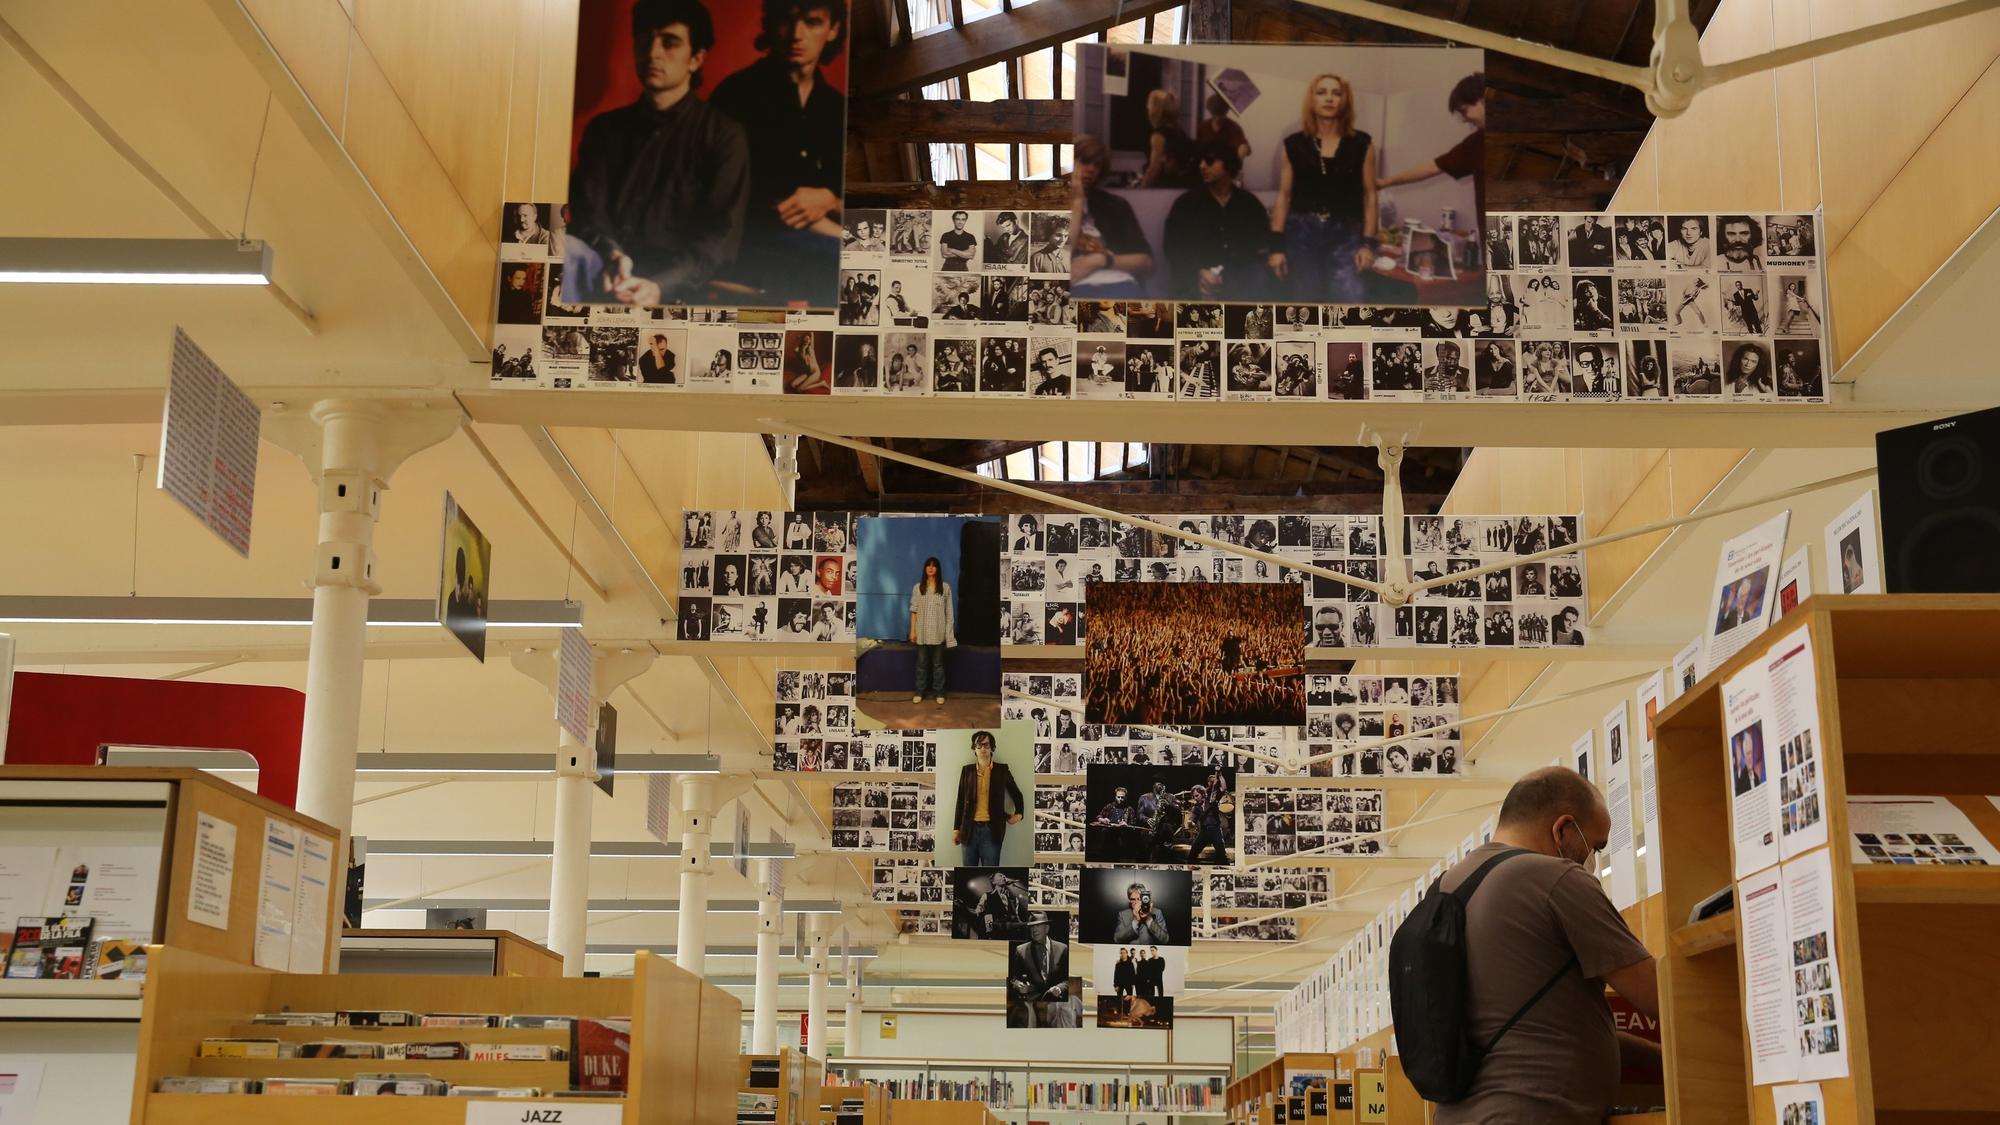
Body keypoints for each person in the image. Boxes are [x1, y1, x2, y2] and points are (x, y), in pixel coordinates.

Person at [1432, 768, 1657, 1125]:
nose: (1593, 860)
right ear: (1563, 829)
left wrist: (1659, 1058)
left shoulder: (1448, 888)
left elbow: (1542, 1033)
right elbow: (1659, 996)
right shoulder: (1557, 878)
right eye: (1596, 845)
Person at [564, 0, 750, 305]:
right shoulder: (605, 129)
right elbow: (586, 212)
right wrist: (611, 254)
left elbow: (720, 239)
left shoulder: (724, 135)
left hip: (675, 285)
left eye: (670, 43)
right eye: (645, 40)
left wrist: (661, 285)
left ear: (696, 59)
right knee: (564, 250)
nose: (653, 53)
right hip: (604, 268)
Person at [707, 1, 847, 297]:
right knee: (851, 264)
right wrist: (843, 236)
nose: (797, 34)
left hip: (824, 235)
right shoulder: (736, 93)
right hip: (750, 241)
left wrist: (831, 200)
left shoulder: (837, 107)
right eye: (788, 20)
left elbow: (847, 195)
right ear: (772, 24)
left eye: (812, 22)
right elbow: (745, 203)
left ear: (833, 29)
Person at [1268, 73, 1377, 301]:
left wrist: (1367, 244)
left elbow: (1370, 196)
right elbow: (1284, 197)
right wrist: (1276, 247)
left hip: (1346, 235)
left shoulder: (1362, 144)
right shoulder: (1293, 145)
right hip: (1302, 235)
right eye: (1322, 92)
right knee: (1305, 302)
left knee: (1350, 300)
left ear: (1344, 101)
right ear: (1312, 100)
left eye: (1336, 93)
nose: (1329, 98)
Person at [1159, 141, 1273, 299]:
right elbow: (1172, 247)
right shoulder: (1186, 203)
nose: (1202, 166)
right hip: (1194, 280)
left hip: (1241, 281)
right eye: (1200, 161)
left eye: (1209, 161)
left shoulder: (1249, 203)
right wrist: (1198, 272)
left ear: (1228, 164)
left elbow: (1262, 245)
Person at [1375, 73, 1485, 213]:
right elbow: (1433, 167)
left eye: (1464, 111)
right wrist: (1385, 182)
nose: (1464, 119)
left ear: (1483, 99)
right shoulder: (1475, 143)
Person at [1071, 136, 1155, 298]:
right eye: (1084, 161)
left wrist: (1100, 260)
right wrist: (1077, 201)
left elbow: (1146, 262)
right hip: (1074, 290)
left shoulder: (1114, 205)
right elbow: (1055, 262)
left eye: (1097, 165)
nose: (1091, 169)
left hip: (1119, 285)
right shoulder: (1049, 204)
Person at [952, 730, 1024, 867]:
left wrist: (1019, 814)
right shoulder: (967, 771)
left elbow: (1017, 794)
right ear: (974, 748)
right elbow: (960, 800)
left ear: (992, 748)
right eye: (979, 745)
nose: (983, 748)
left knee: (990, 875)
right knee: (968, 874)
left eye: (986, 745)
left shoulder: (1002, 770)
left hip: (992, 831)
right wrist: (956, 829)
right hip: (969, 830)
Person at [1008, 913, 1075, 1027]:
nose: (1034, 929)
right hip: (1030, 1006)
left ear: (1047, 928)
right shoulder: (1021, 950)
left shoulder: (1063, 949)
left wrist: (1060, 988)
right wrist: (1018, 985)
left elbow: (1068, 979)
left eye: (1038, 926)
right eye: (1032, 927)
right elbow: (1013, 978)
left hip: (1057, 1005)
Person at [909, 556, 956, 704]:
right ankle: (920, 691)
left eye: (934, 565)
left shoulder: (945, 587)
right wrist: (913, 631)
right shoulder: (918, 587)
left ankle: (939, 693)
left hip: (938, 632)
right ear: (925, 568)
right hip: (921, 632)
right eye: (928, 565)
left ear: (938, 569)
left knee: (938, 664)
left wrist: (948, 634)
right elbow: (914, 611)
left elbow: (949, 613)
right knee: (922, 664)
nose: (930, 568)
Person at [1139, 89, 1198, 188]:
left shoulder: (1158, 137)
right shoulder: (1180, 132)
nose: (1148, 110)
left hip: (1164, 187)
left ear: (1155, 111)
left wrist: (1140, 190)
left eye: (1149, 107)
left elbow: (1154, 169)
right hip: (1181, 186)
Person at [1195, 92, 1251, 163]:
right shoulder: (1203, 127)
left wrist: (1242, 150)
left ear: (1226, 111)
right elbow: (1197, 148)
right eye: (1215, 115)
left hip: (1226, 169)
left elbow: (1244, 146)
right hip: (1205, 167)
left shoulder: (1234, 128)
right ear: (1211, 112)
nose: (1218, 119)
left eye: (1222, 115)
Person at [1113, 880, 1171, 944]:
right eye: (1133, 899)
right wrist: (1135, 921)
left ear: (1144, 898)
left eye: (1139, 899)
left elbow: (1165, 940)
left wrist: (1148, 919)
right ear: (1129, 900)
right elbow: (1117, 939)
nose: (1136, 902)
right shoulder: (1123, 915)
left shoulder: (1157, 912)